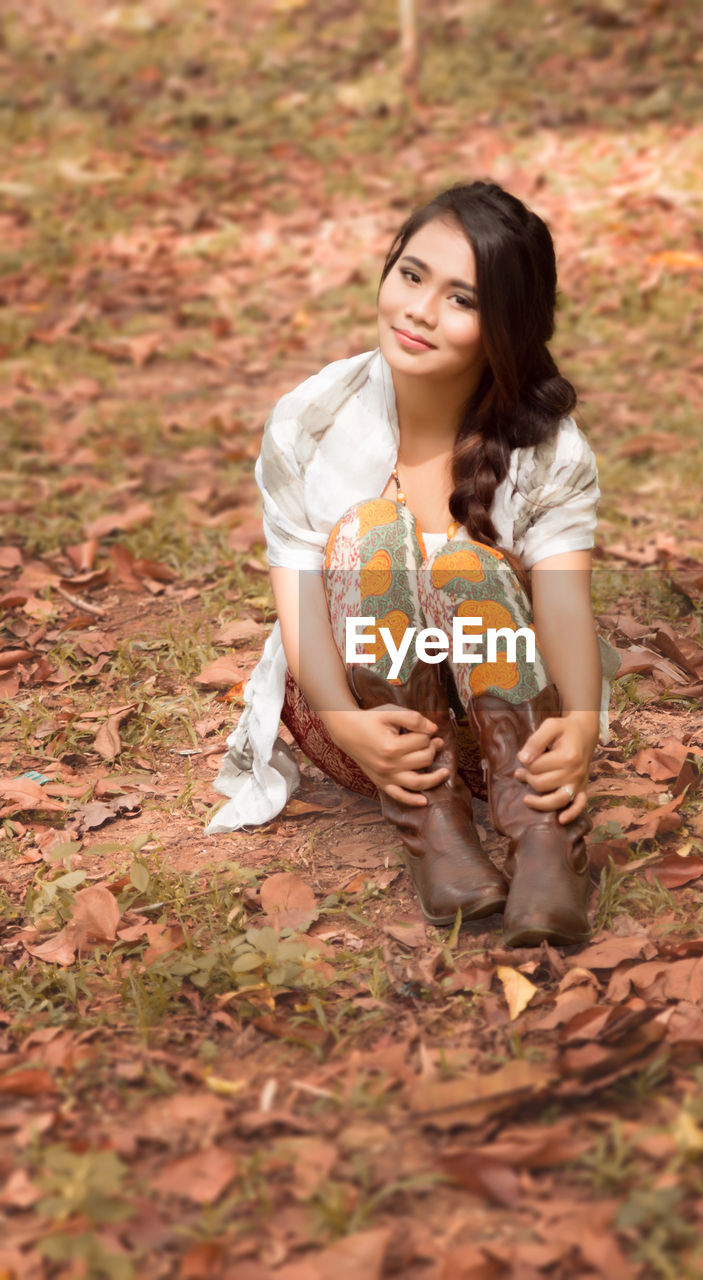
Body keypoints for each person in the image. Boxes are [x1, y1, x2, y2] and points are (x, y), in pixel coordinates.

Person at [207, 180, 618, 947]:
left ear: (507, 325)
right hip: (375, 733)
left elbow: (563, 605)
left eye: (462, 300)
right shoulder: (313, 417)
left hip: (510, 741)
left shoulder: (548, 449)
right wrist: (342, 722)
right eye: (411, 274)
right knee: (372, 532)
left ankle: (543, 845)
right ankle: (436, 840)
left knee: (464, 564)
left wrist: (584, 727)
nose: (420, 311)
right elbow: (297, 601)